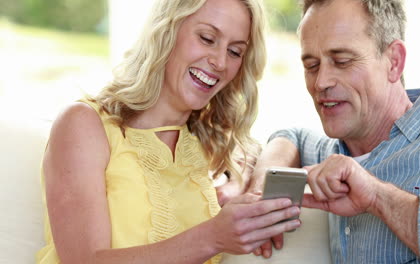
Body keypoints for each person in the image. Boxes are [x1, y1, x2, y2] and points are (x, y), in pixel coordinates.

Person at [35, 0, 303, 263]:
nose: (220, 62)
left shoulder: (209, 147)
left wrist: (244, 178)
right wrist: (213, 237)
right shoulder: (85, 124)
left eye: (235, 51)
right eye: (207, 38)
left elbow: (276, 143)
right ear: (167, 32)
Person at [250, 0, 420, 263]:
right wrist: (260, 188)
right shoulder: (336, 150)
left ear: (394, 62)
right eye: (311, 66)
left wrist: (377, 197)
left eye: (342, 61)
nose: (321, 82)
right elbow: (291, 136)